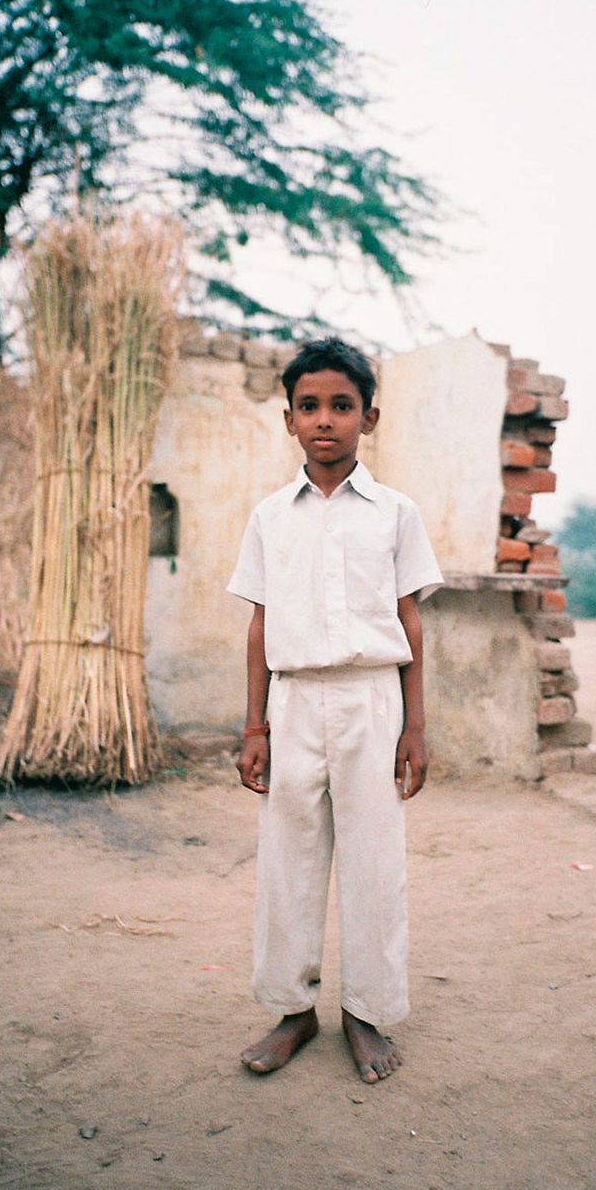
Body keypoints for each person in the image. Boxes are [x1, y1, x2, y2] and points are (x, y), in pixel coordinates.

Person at [227, 337, 443, 1084]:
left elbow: (410, 620)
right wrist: (254, 726)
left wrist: (415, 725)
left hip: (372, 699)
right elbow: (259, 626)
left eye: (342, 406)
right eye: (310, 406)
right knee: (288, 859)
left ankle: (366, 1011)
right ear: (289, 419)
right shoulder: (270, 517)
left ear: (368, 418)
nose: (326, 420)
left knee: (375, 860)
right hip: (292, 701)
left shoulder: (396, 513)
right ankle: (293, 1010)